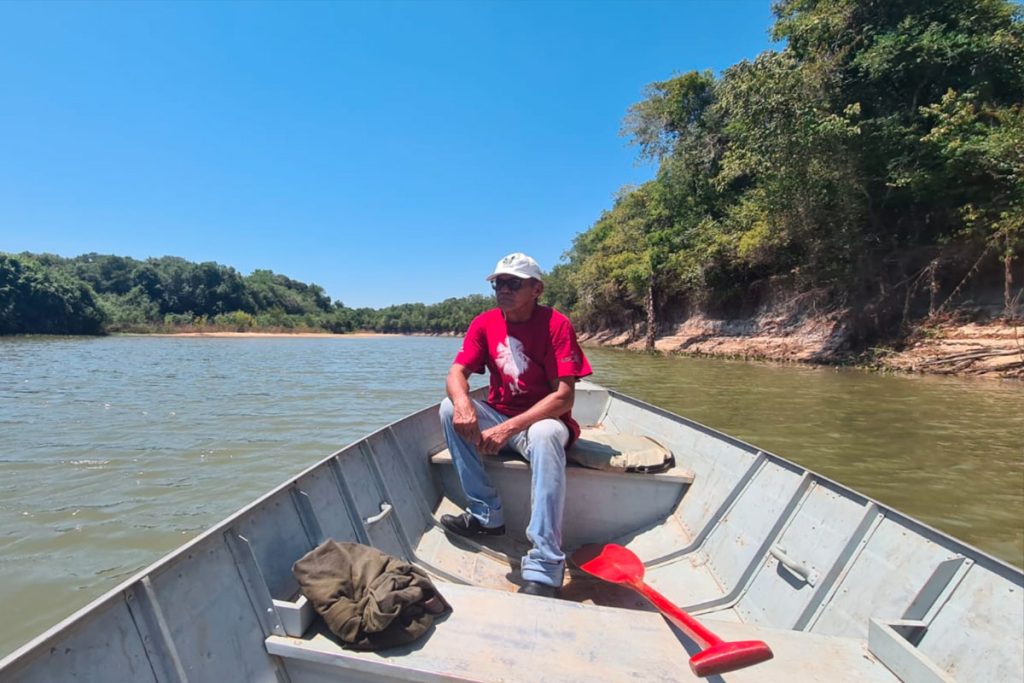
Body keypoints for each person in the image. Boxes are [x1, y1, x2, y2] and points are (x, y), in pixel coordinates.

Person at [438, 252, 592, 598]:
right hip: (499, 416)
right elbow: (456, 373)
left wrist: (508, 429)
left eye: (513, 283)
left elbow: (563, 398)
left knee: (546, 430)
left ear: (536, 289)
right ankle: (485, 515)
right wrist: (463, 403)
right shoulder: (485, 323)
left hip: (541, 422)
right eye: (498, 283)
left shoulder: (556, 325)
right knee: (449, 408)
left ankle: (546, 564)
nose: (502, 289)